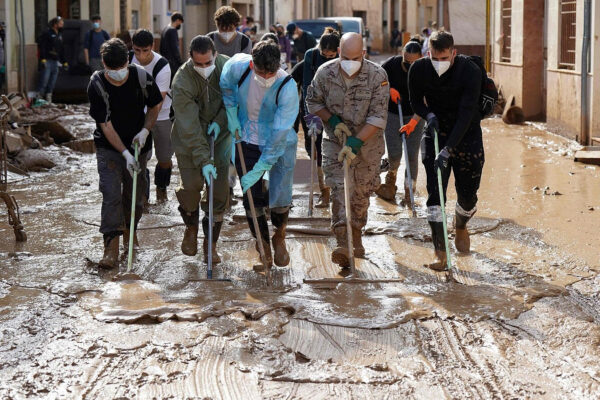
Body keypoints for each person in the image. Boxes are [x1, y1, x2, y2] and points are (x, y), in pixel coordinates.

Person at [306, 32, 389, 268]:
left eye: (354, 57)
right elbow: (313, 102)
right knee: (339, 188)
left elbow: (378, 116)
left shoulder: (377, 76)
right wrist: (332, 122)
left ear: (363, 53)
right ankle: (343, 240)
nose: (349, 62)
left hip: (368, 144)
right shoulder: (325, 73)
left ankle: (356, 232)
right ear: (339, 53)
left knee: (361, 192)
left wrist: (356, 142)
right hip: (335, 141)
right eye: (344, 56)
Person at [408, 30, 484, 270]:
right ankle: (440, 251)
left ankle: (460, 225)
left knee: (468, 196)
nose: (439, 63)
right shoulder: (418, 69)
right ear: (428, 53)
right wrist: (428, 115)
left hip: (466, 135)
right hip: (435, 133)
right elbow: (415, 100)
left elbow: (467, 112)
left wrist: (449, 149)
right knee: (434, 194)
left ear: (454, 53)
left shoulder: (469, 71)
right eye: (434, 58)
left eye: (444, 59)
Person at [220, 40, 299, 267]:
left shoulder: (287, 86)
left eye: (270, 73)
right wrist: (231, 111)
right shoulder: (238, 67)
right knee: (251, 197)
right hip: (245, 137)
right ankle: (262, 245)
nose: (266, 78)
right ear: (253, 65)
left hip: (279, 143)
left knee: (280, 193)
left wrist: (262, 167)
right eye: (262, 73)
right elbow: (226, 85)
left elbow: (280, 131)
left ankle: (279, 235)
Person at [87, 38, 162, 268]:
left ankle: (131, 233)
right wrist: (124, 154)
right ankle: (111, 246)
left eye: (121, 69)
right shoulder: (97, 84)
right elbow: (105, 125)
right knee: (111, 194)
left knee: (136, 198)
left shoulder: (141, 78)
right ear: (103, 64)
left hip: (139, 145)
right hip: (108, 147)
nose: (117, 74)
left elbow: (155, 105)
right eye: (112, 70)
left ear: (127, 61)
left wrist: (145, 130)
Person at [171, 35, 231, 261]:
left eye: (208, 63)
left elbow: (233, 100)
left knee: (219, 190)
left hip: (220, 136)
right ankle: (191, 227)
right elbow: (189, 127)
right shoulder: (182, 81)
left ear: (215, 55)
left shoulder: (226, 67)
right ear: (191, 59)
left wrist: (222, 120)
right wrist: (204, 160)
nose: (204, 68)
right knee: (191, 187)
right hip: (189, 139)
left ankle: (210, 243)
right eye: (199, 64)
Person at [290, 27, 340, 209]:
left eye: (330, 54)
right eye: (323, 53)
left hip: (335, 111)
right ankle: (324, 192)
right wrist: (310, 114)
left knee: (334, 150)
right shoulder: (311, 56)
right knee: (315, 150)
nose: (326, 56)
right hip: (312, 109)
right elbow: (306, 86)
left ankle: (337, 190)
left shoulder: (342, 59)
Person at [376, 41, 425, 205]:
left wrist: (413, 123)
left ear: (421, 58)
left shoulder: (426, 70)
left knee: (412, 155)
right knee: (395, 154)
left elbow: (427, 101)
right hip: (393, 114)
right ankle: (390, 181)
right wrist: (388, 88)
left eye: (414, 62)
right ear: (402, 55)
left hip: (416, 116)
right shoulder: (391, 64)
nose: (410, 65)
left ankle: (408, 192)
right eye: (407, 62)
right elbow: (376, 79)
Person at [130, 29, 173, 204]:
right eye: (137, 51)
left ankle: (161, 189)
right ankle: (143, 197)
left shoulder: (162, 66)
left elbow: (157, 102)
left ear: (152, 47)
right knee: (141, 157)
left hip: (162, 115)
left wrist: (148, 128)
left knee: (164, 159)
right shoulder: (126, 60)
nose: (140, 56)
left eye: (145, 51)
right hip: (136, 115)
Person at [36, 17, 68, 103]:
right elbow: (42, 46)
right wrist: (43, 59)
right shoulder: (47, 33)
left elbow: (61, 49)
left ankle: (48, 99)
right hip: (47, 61)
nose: (62, 26)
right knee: (44, 81)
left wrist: (64, 61)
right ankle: (39, 99)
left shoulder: (59, 35)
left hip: (55, 62)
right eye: (60, 24)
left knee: (52, 83)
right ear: (55, 24)